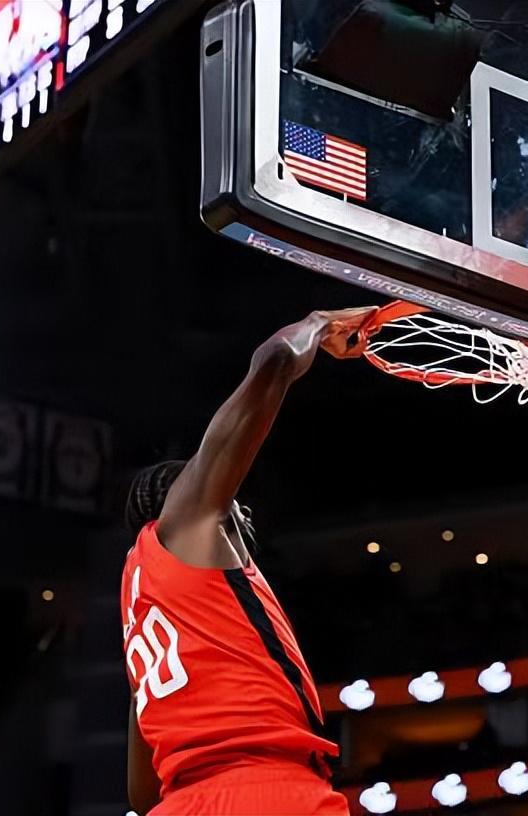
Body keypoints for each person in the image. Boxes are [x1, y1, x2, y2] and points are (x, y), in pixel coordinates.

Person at [120, 307, 377, 815]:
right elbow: (274, 361)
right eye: (231, 493)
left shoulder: (146, 608)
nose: (243, 504)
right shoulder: (186, 524)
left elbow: (142, 793)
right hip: (263, 789)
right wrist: (318, 324)